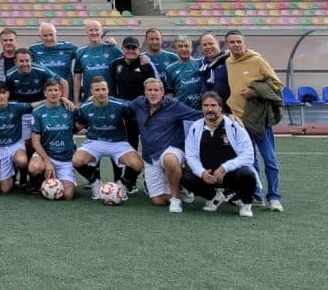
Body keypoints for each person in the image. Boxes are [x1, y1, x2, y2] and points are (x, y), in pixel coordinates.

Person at [224, 30, 284, 211]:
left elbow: (277, 84)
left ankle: (274, 197)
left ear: (244, 42)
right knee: (250, 160)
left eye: (238, 41)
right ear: (227, 45)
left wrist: (255, 91)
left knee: (269, 158)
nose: (236, 45)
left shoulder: (257, 60)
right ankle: (256, 195)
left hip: (257, 119)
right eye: (232, 42)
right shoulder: (228, 61)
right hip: (239, 120)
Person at [128, 78, 200, 212]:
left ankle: (175, 198)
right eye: (149, 90)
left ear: (162, 92)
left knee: (170, 160)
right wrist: (98, 100)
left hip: (172, 149)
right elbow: (122, 106)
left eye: (156, 90)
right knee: (158, 201)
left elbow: (198, 115)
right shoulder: (139, 103)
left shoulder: (174, 106)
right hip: (149, 155)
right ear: (145, 92)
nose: (153, 93)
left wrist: (227, 116)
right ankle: (181, 188)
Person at [183, 92, 257, 217]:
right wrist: (201, 172)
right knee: (185, 177)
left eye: (213, 105)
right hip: (208, 176)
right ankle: (213, 197)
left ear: (221, 107)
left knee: (247, 174)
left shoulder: (235, 126)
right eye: (206, 105)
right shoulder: (195, 127)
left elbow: (249, 155)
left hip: (230, 175)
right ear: (201, 108)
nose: (210, 109)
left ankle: (246, 203)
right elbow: (191, 155)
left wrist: (224, 168)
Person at [72, 77, 144, 199]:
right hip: (95, 141)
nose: (101, 93)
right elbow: (80, 124)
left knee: (138, 164)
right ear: (91, 91)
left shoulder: (120, 105)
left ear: (108, 90)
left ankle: (123, 185)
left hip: (117, 142)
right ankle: (95, 182)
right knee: (76, 160)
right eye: (97, 90)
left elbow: (135, 115)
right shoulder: (85, 107)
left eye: (103, 89)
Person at [28, 79, 79, 200]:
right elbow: (35, 141)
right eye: (50, 90)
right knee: (34, 167)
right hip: (46, 155)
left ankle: (64, 178)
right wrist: (47, 161)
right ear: (45, 93)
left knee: (67, 195)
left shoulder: (70, 109)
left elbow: (85, 120)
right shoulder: (37, 113)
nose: (53, 93)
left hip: (66, 158)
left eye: (56, 90)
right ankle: (39, 183)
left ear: (61, 92)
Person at [107, 37, 158, 153]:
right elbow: (112, 88)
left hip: (143, 110)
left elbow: (154, 89)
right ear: (122, 49)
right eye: (127, 47)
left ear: (139, 49)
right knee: (129, 144)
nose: (130, 50)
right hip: (124, 110)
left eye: (133, 48)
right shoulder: (116, 64)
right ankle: (131, 170)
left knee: (149, 143)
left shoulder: (145, 64)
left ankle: (149, 169)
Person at [73, 20, 122, 102]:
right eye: (91, 30)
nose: (94, 32)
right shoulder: (80, 52)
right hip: (89, 99)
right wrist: (76, 101)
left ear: (101, 32)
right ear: (86, 33)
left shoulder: (112, 49)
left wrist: (116, 45)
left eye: (96, 30)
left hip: (111, 99)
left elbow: (128, 61)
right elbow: (77, 78)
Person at [28, 21, 77, 98]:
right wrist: (1, 55)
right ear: (40, 36)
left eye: (51, 35)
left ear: (56, 34)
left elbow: (84, 53)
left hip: (66, 93)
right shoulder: (34, 49)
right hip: (44, 95)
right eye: (45, 35)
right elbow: (21, 58)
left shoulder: (68, 47)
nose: (49, 38)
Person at [163, 36, 204, 110]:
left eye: (186, 46)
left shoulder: (201, 63)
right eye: (180, 46)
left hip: (202, 111)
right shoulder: (170, 69)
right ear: (175, 49)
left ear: (191, 48)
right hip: (182, 112)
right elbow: (170, 92)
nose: (184, 49)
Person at [197, 33, 229, 101]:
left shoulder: (229, 59)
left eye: (211, 43)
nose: (208, 47)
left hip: (228, 108)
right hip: (208, 107)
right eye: (204, 45)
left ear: (218, 43)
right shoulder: (200, 64)